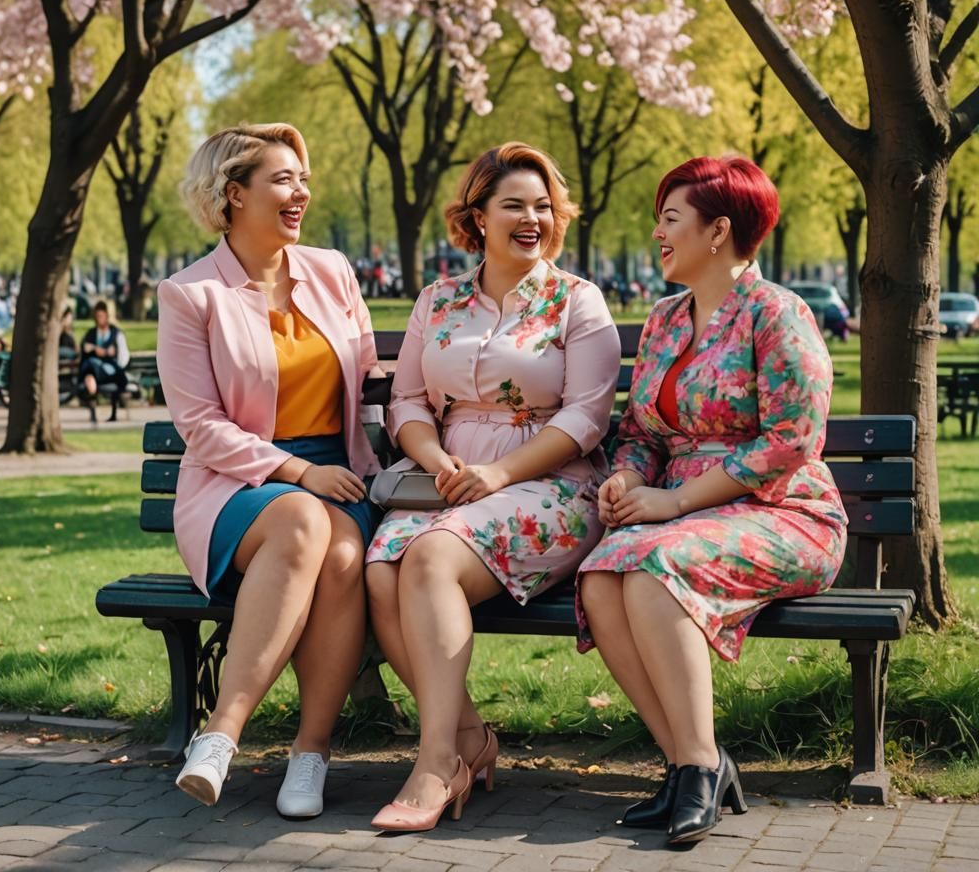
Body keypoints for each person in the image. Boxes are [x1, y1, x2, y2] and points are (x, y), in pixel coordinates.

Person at [576, 157, 848, 846]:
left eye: (671, 219)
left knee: (652, 565)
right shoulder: (665, 319)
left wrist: (677, 502)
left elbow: (793, 439)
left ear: (718, 230)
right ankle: (692, 762)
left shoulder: (778, 314)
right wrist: (631, 480)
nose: (658, 234)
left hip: (786, 513)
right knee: (605, 575)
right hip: (685, 515)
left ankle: (695, 765)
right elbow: (641, 432)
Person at [365, 142, 621, 832]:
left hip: (550, 485)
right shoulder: (438, 300)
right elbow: (410, 402)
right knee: (384, 568)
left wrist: (499, 474)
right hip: (446, 480)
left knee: (428, 559)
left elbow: (586, 416)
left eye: (543, 206)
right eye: (514, 205)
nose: (532, 217)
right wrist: (437, 460)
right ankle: (470, 740)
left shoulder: (577, 301)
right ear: (477, 217)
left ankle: (433, 764)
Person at [158, 123, 381, 818]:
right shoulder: (191, 295)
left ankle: (309, 758)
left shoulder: (333, 270)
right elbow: (200, 426)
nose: (300, 193)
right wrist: (294, 471)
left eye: (300, 179)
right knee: (302, 521)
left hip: (339, 474)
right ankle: (223, 735)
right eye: (282, 180)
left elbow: (371, 377)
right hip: (236, 483)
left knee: (343, 552)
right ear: (233, 195)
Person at [78, 300, 131, 419]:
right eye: (97, 316)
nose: (98, 319)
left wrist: (107, 353)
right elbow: (84, 348)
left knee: (91, 366)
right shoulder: (91, 333)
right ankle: (93, 409)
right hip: (94, 371)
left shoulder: (116, 334)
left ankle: (93, 399)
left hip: (110, 371)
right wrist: (94, 349)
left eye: (101, 316)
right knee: (89, 373)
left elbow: (122, 358)